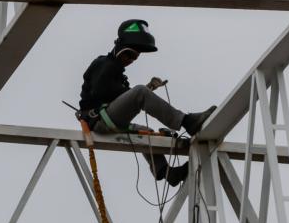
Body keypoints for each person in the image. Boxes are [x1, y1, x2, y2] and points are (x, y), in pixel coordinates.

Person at [77, 19, 216, 187]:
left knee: (145, 132)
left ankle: (165, 172)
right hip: (99, 119)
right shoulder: (104, 64)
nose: (131, 60)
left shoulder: (118, 74)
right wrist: (144, 90)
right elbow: (101, 90)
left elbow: (122, 95)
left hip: (105, 118)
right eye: (129, 54)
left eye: (135, 57)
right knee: (140, 92)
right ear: (120, 48)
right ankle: (187, 121)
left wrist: (147, 89)